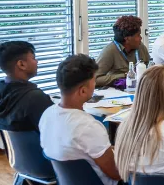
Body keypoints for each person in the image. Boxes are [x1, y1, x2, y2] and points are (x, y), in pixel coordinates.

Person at [40, 55, 121, 185]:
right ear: (83, 91)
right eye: (94, 81)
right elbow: (116, 174)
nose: (95, 85)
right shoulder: (88, 126)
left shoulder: (47, 115)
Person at [0, 41, 52, 132]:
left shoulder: (1, 91)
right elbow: (57, 132)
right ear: (21, 64)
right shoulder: (35, 97)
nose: (37, 61)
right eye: (33, 58)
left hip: (12, 146)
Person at [95, 15, 150, 87]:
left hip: (140, 89)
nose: (141, 38)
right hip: (117, 92)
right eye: (138, 35)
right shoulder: (110, 51)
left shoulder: (141, 47)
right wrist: (124, 75)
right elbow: (95, 79)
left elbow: (149, 68)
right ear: (127, 39)